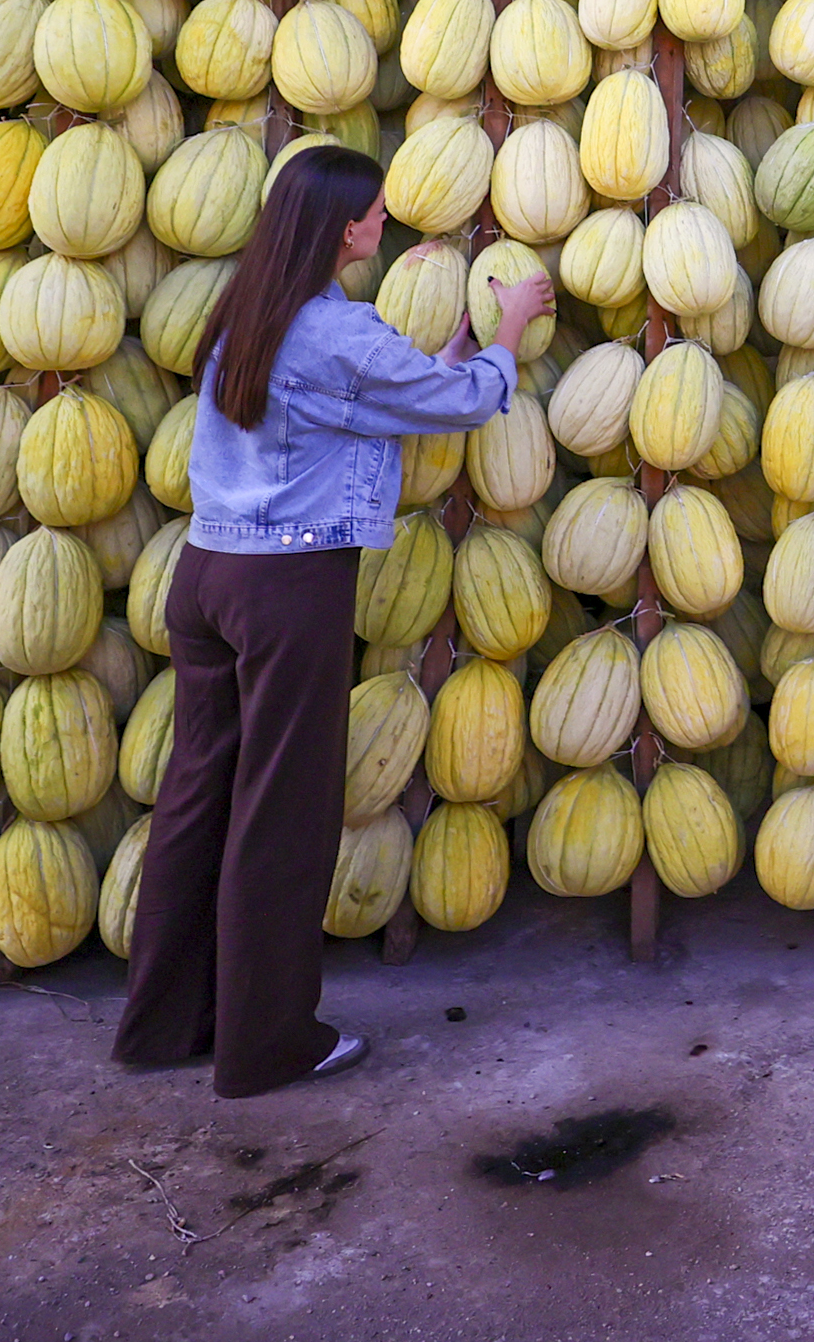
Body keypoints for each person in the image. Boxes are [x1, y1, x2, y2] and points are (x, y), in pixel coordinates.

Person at [113, 141, 554, 1096]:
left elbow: (357, 403)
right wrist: (510, 331)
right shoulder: (335, 330)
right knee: (282, 816)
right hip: (285, 587)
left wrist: (443, 357)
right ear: (342, 227)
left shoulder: (251, 311)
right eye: (375, 210)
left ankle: (162, 1025)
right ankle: (268, 1045)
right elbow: (471, 403)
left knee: (198, 799)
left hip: (208, 576)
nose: (384, 221)